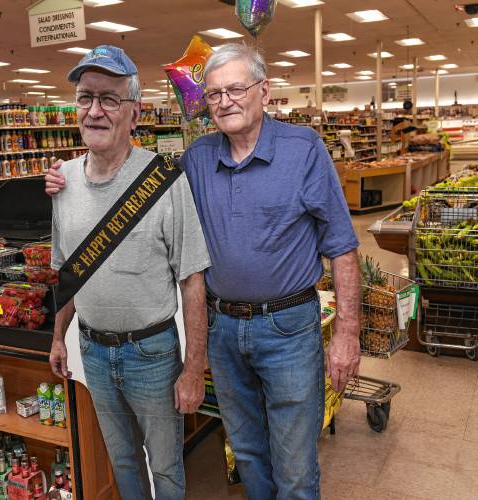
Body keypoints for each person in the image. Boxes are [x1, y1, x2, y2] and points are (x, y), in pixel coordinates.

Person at [46, 43, 361, 500]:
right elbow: (128, 173)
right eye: (214, 94)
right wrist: (60, 176)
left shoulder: (304, 150)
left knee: (294, 462)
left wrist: (348, 331)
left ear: (265, 91)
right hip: (224, 328)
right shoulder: (195, 159)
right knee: (247, 451)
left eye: (236, 89)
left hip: (289, 327)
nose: (225, 102)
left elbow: (342, 247)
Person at [48, 45, 211, 500]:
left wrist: (194, 367)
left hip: (153, 355)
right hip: (93, 351)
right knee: (121, 460)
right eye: (85, 97)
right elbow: (67, 273)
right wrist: (59, 336)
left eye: (110, 99)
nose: (94, 111)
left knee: (166, 467)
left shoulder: (165, 180)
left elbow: (193, 279)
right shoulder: (63, 183)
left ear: (134, 113)